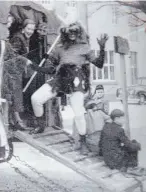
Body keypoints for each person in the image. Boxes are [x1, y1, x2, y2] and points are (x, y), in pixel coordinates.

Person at [30, 21, 108, 154]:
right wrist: (36, 67)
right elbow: (51, 69)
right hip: (60, 79)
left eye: (75, 32)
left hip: (76, 81)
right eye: (69, 32)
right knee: (35, 98)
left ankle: (82, 141)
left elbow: (99, 64)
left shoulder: (85, 47)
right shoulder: (59, 48)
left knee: (78, 113)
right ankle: (40, 125)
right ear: (65, 33)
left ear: (79, 33)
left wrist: (102, 48)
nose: (72, 35)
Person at [8, 19, 36, 130]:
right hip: (13, 70)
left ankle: (19, 120)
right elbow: (12, 54)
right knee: (16, 94)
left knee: (20, 94)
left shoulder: (25, 38)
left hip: (19, 70)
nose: (30, 31)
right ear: (23, 28)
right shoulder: (17, 38)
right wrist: (25, 61)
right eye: (29, 29)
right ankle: (17, 122)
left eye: (32, 29)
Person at [99, 109, 145, 176]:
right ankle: (132, 168)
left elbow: (100, 143)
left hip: (107, 159)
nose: (124, 120)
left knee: (126, 146)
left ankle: (129, 166)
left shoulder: (106, 126)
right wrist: (140, 145)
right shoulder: (119, 130)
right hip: (115, 162)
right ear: (117, 119)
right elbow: (130, 146)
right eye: (123, 118)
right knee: (134, 144)